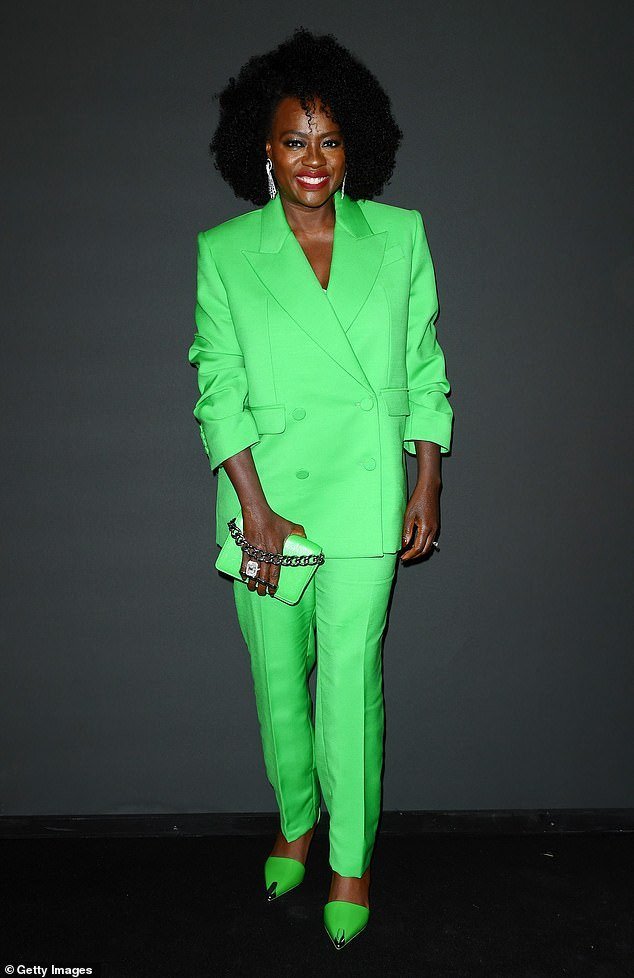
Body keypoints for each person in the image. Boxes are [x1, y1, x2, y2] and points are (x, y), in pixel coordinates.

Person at [187, 27, 454, 950]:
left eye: (330, 139)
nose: (313, 158)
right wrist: (255, 508)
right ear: (262, 148)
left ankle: (349, 857)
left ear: (355, 146)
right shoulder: (226, 251)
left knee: (350, 682)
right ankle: (295, 819)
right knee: (277, 683)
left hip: (368, 493)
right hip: (265, 498)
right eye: (294, 139)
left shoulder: (401, 236)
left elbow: (424, 366)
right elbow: (217, 384)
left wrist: (427, 479)